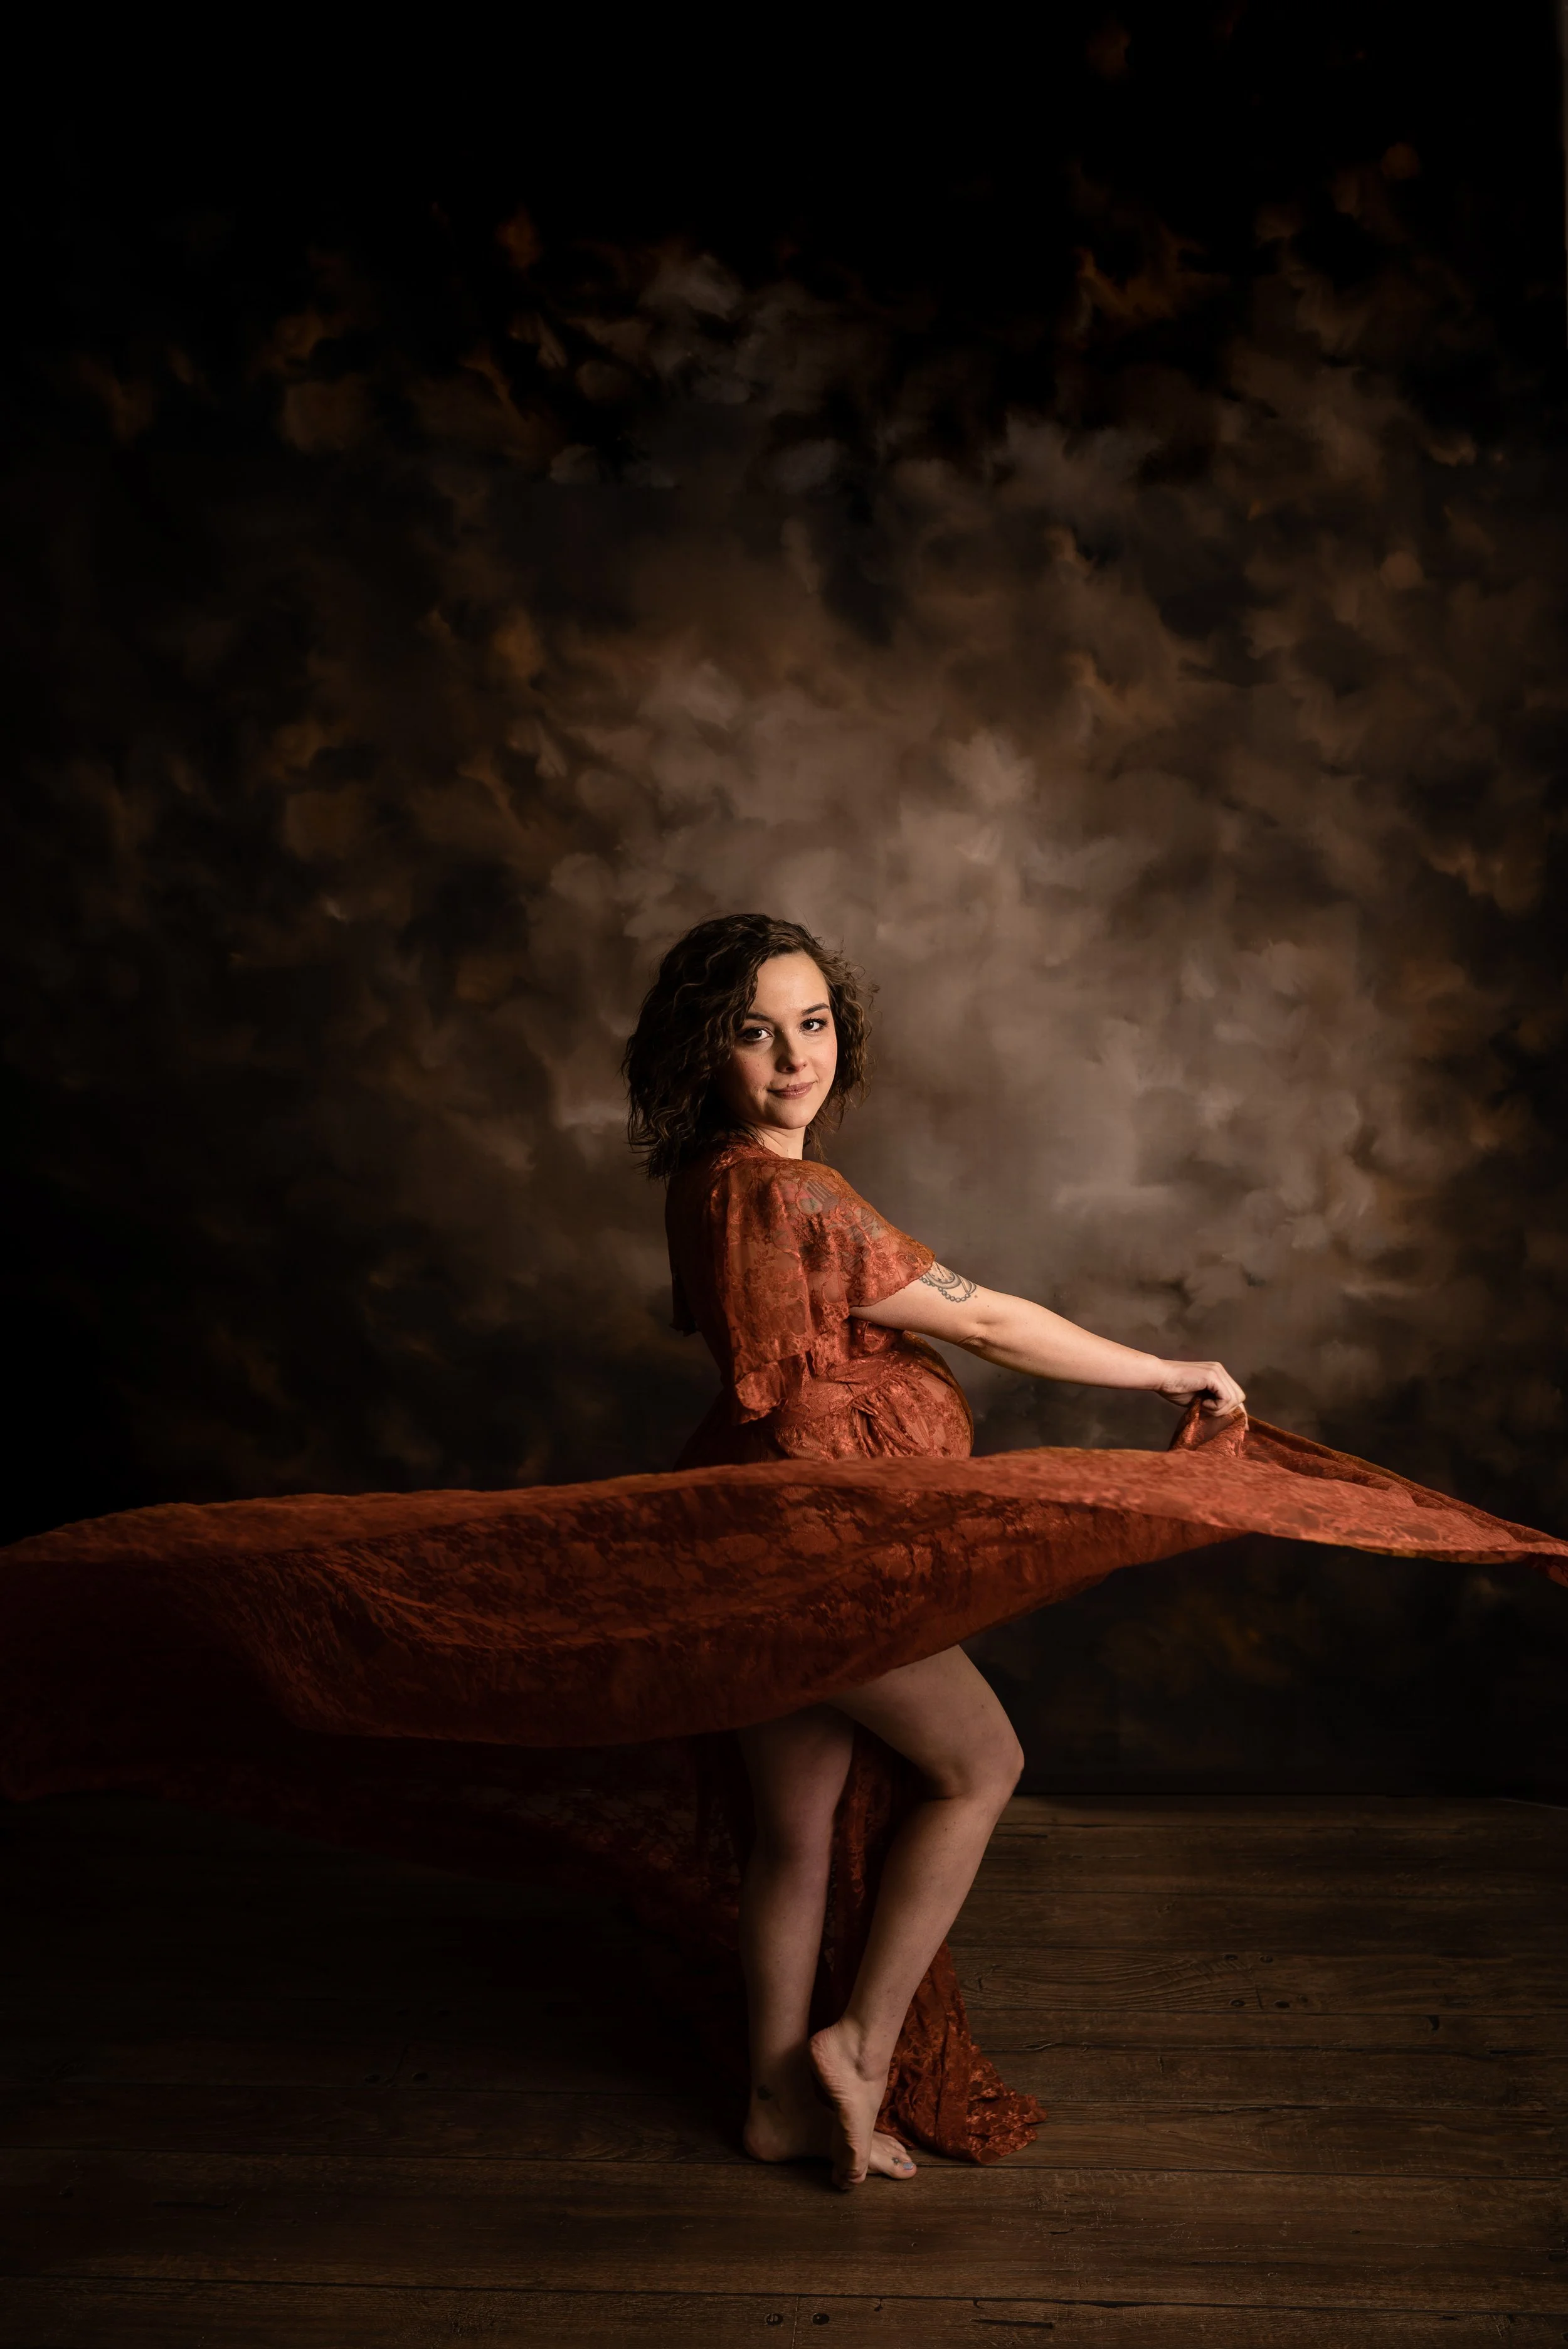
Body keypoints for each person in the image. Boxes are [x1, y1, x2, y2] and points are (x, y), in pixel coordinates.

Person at [623, 913, 1246, 2190]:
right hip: (810, 1542)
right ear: (705, 1052)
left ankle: (769, 2099)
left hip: (749, 1529)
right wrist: (1164, 1369)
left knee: (792, 1831)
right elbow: (995, 1322)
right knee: (980, 1763)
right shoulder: (792, 1193)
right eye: (754, 1032)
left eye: (812, 1022)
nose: (794, 1056)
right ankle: (855, 2043)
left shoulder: (706, 1183)